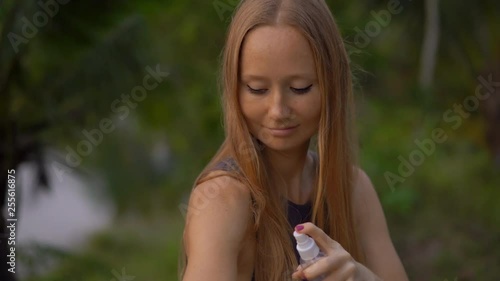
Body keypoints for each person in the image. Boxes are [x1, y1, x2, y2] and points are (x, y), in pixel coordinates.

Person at [179, 0, 409, 280]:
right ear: (234, 89)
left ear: (332, 84)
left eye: (300, 88)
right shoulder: (223, 199)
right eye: (257, 89)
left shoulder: (353, 188)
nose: (278, 111)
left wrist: (360, 276)